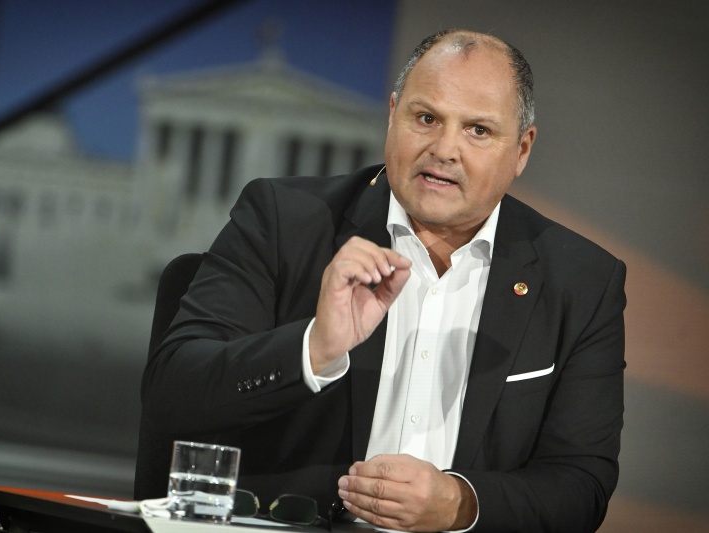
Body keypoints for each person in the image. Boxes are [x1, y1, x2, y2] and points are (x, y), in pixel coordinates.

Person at [139, 29, 625, 532]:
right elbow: (172, 395)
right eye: (426, 118)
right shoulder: (283, 220)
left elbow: (581, 485)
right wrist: (313, 349)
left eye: (478, 130)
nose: (445, 149)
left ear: (522, 149)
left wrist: (460, 503)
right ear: (392, 115)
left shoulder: (582, 281)